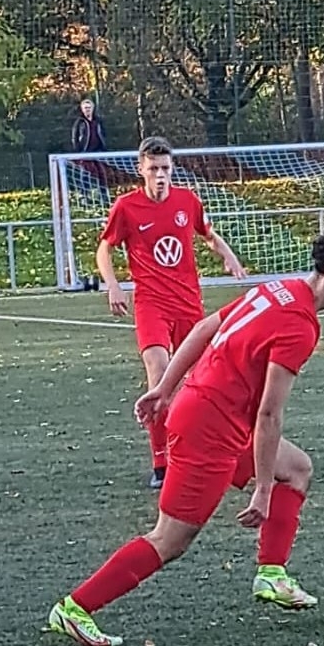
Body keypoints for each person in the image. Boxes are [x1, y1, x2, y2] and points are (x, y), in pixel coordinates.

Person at [48, 225, 324, 646]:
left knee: (296, 469)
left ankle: (272, 574)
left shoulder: (279, 289)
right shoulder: (301, 325)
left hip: (207, 410)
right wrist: (261, 488)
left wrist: (165, 388)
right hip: (208, 428)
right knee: (170, 539)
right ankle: (76, 608)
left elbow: (206, 327)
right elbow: (269, 413)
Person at [97, 136, 247, 489]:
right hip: (152, 305)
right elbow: (104, 249)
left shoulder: (187, 201)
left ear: (172, 169)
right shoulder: (126, 207)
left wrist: (229, 256)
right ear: (141, 170)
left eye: (165, 168)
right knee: (160, 372)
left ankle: (210, 452)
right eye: (153, 169)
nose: (160, 175)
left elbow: (208, 234)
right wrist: (113, 284)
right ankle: (161, 462)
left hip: (188, 305)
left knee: (202, 382)